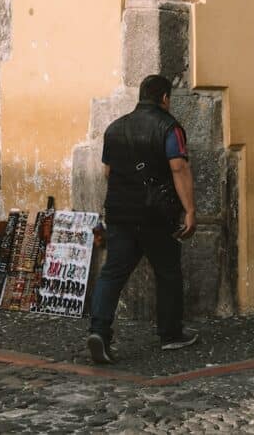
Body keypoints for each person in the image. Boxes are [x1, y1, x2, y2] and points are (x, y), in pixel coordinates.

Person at [87, 74, 198, 363]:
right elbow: (178, 169)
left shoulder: (114, 128)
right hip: (155, 214)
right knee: (168, 271)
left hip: (120, 212)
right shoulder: (170, 128)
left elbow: (108, 173)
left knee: (112, 272)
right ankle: (170, 334)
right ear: (164, 98)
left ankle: (99, 330)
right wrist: (190, 210)